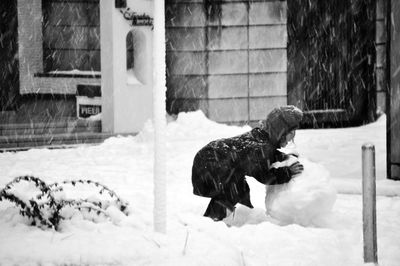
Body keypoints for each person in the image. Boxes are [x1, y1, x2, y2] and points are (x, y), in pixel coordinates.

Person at [191, 105, 304, 221]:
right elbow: (265, 175)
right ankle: (213, 221)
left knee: (240, 188)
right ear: (281, 131)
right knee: (233, 189)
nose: (292, 137)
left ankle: (241, 218)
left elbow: (265, 156)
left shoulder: (261, 140)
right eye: (291, 132)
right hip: (209, 163)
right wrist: (288, 172)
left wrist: (283, 157)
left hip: (208, 160)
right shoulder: (260, 146)